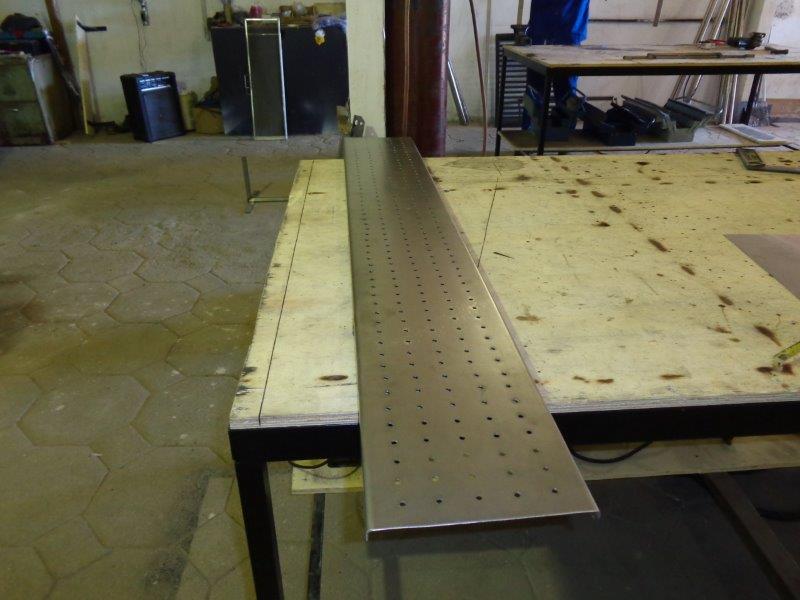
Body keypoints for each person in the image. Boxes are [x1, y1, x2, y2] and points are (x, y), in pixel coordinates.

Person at [521, 0, 591, 131]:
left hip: (568, 35)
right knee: (534, 91)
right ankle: (528, 133)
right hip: (541, 33)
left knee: (566, 93)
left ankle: (564, 135)